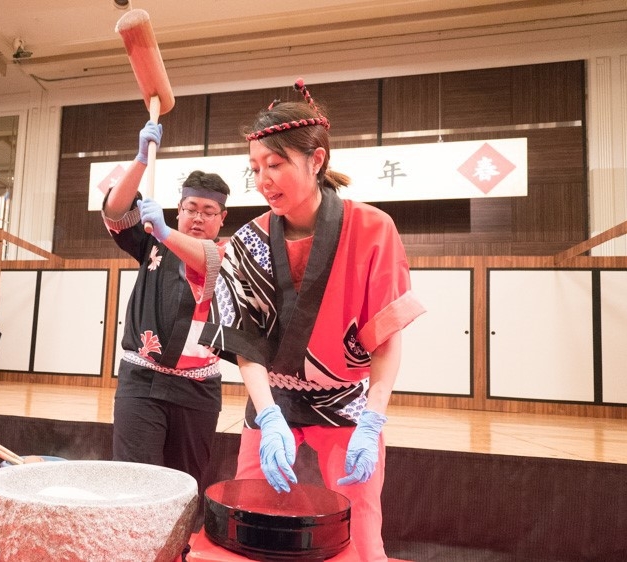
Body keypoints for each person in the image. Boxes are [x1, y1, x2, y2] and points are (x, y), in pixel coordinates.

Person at [198, 80, 426, 562]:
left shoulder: (373, 229)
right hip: (272, 397)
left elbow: (385, 335)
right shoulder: (246, 241)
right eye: (255, 168)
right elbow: (245, 342)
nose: (263, 179)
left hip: (345, 399)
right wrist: (270, 414)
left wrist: (374, 417)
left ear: (316, 160)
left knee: (360, 516)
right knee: (251, 510)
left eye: (275, 164)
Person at [103, 121, 231, 506]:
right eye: (191, 208)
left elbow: (212, 266)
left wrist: (164, 233)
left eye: (209, 212)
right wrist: (140, 160)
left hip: (198, 389)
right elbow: (116, 210)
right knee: (134, 486)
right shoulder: (151, 242)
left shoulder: (230, 254)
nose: (198, 217)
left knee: (184, 490)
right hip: (142, 381)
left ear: (222, 219)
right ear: (178, 210)